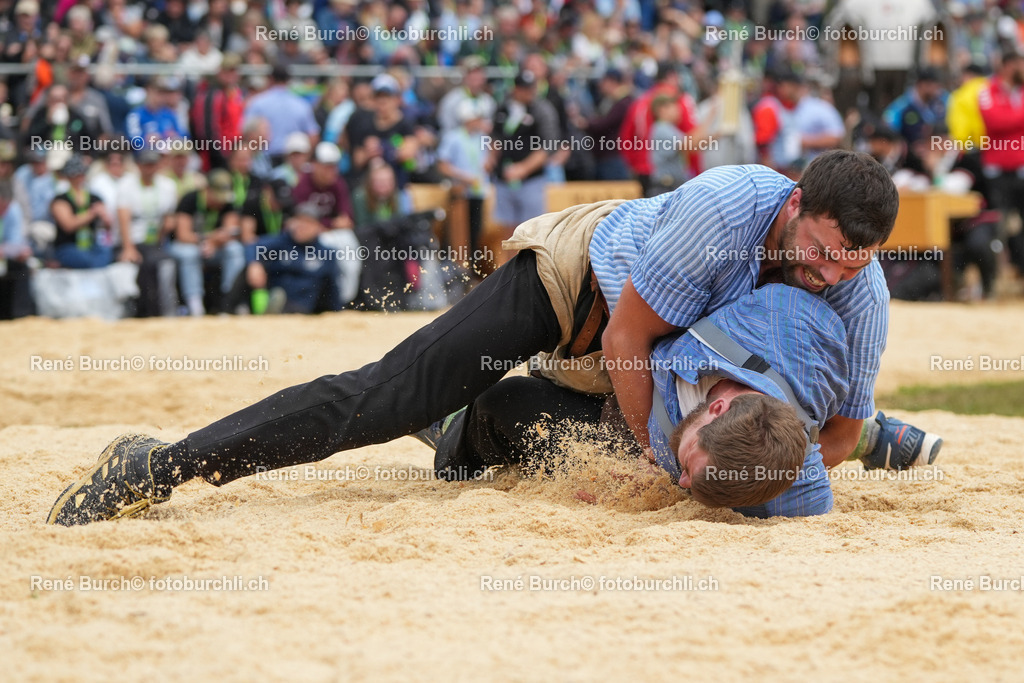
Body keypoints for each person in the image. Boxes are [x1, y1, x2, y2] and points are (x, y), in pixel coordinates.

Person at [46, 151, 940, 526]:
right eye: (821, 252)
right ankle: (160, 463)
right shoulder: (727, 207)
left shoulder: (857, 292)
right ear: (794, 205)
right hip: (584, 292)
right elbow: (629, 335)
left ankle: (460, 424)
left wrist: (747, 475)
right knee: (384, 396)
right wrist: (656, 458)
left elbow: (830, 426)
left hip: (650, 369)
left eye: (851, 265)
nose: (829, 276)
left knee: (512, 426)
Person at [423, 284, 849, 517]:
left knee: (506, 401)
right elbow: (625, 334)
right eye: (688, 467)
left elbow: (815, 500)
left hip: (620, 440)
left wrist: (662, 485)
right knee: (500, 401)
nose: (684, 480)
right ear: (718, 408)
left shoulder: (788, 474)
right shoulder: (761, 316)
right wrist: (652, 454)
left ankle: (875, 436)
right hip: (623, 383)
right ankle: (447, 429)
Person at [167, 169, 245, 316]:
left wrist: (214, 242)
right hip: (186, 246)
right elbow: (182, 235)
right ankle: (195, 303)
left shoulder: (227, 202)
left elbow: (231, 231)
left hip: (214, 247)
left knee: (235, 249)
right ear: (207, 189)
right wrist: (209, 239)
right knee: (190, 254)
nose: (221, 201)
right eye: (218, 196)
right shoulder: (190, 199)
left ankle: (231, 299)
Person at [114, 149, 178, 317]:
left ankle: (161, 310)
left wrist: (165, 229)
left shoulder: (168, 186)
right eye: (146, 164)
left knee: (161, 262)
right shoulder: (126, 185)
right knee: (146, 265)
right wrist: (128, 247)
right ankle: (146, 311)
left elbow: (169, 217)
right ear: (138, 165)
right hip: (133, 240)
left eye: (152, 164)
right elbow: (123, 219)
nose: (149, 168)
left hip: (155, 241)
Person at [50, 156, 113, 269]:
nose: (79, 177)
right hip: (69, 246)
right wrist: (92, 213)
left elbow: (107, 227)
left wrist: (105, 218)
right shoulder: (60, 200)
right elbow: (68, 225)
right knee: (84, 259)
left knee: (106, 253)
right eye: (76, 174)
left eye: (81, 173)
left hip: (91, 245)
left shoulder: (94, 197)